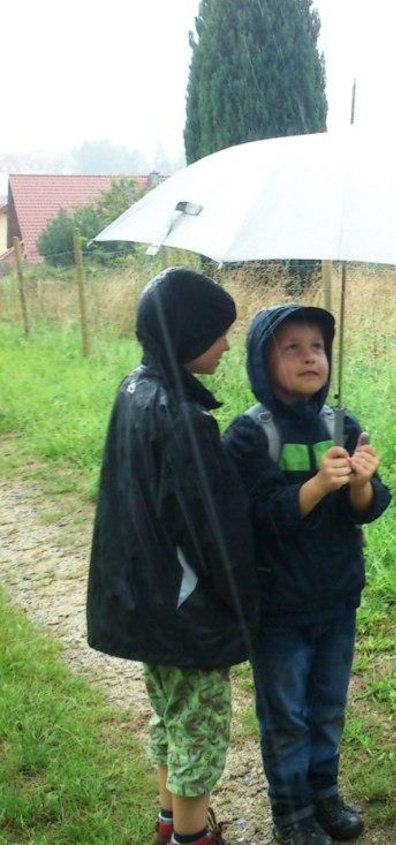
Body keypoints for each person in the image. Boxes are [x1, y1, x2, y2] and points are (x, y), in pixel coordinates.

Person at [87, 267, 258, 845]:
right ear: (187, 334)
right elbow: (211, 532)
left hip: (142, 597)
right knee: (200, 730)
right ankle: (192, 836)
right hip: (185, 610)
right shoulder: (185, 421)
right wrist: (242, 601)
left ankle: (169, 820)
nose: (227, 344)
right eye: (218, 332)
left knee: (169, 714)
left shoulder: (133, 390)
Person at [222, 304, 391, 845]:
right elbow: (259, 516)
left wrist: (361, 483)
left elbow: (366, 509)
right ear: (261, 361)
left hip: (337, 596)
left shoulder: (342, 424)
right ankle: (291, 810)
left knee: (327, 708)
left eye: (317, 346)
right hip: (278, 606)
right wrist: (317, 485)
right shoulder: (249, 435)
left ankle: (325, 793)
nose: (309, 357)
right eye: (291, 348)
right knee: (286, 715)